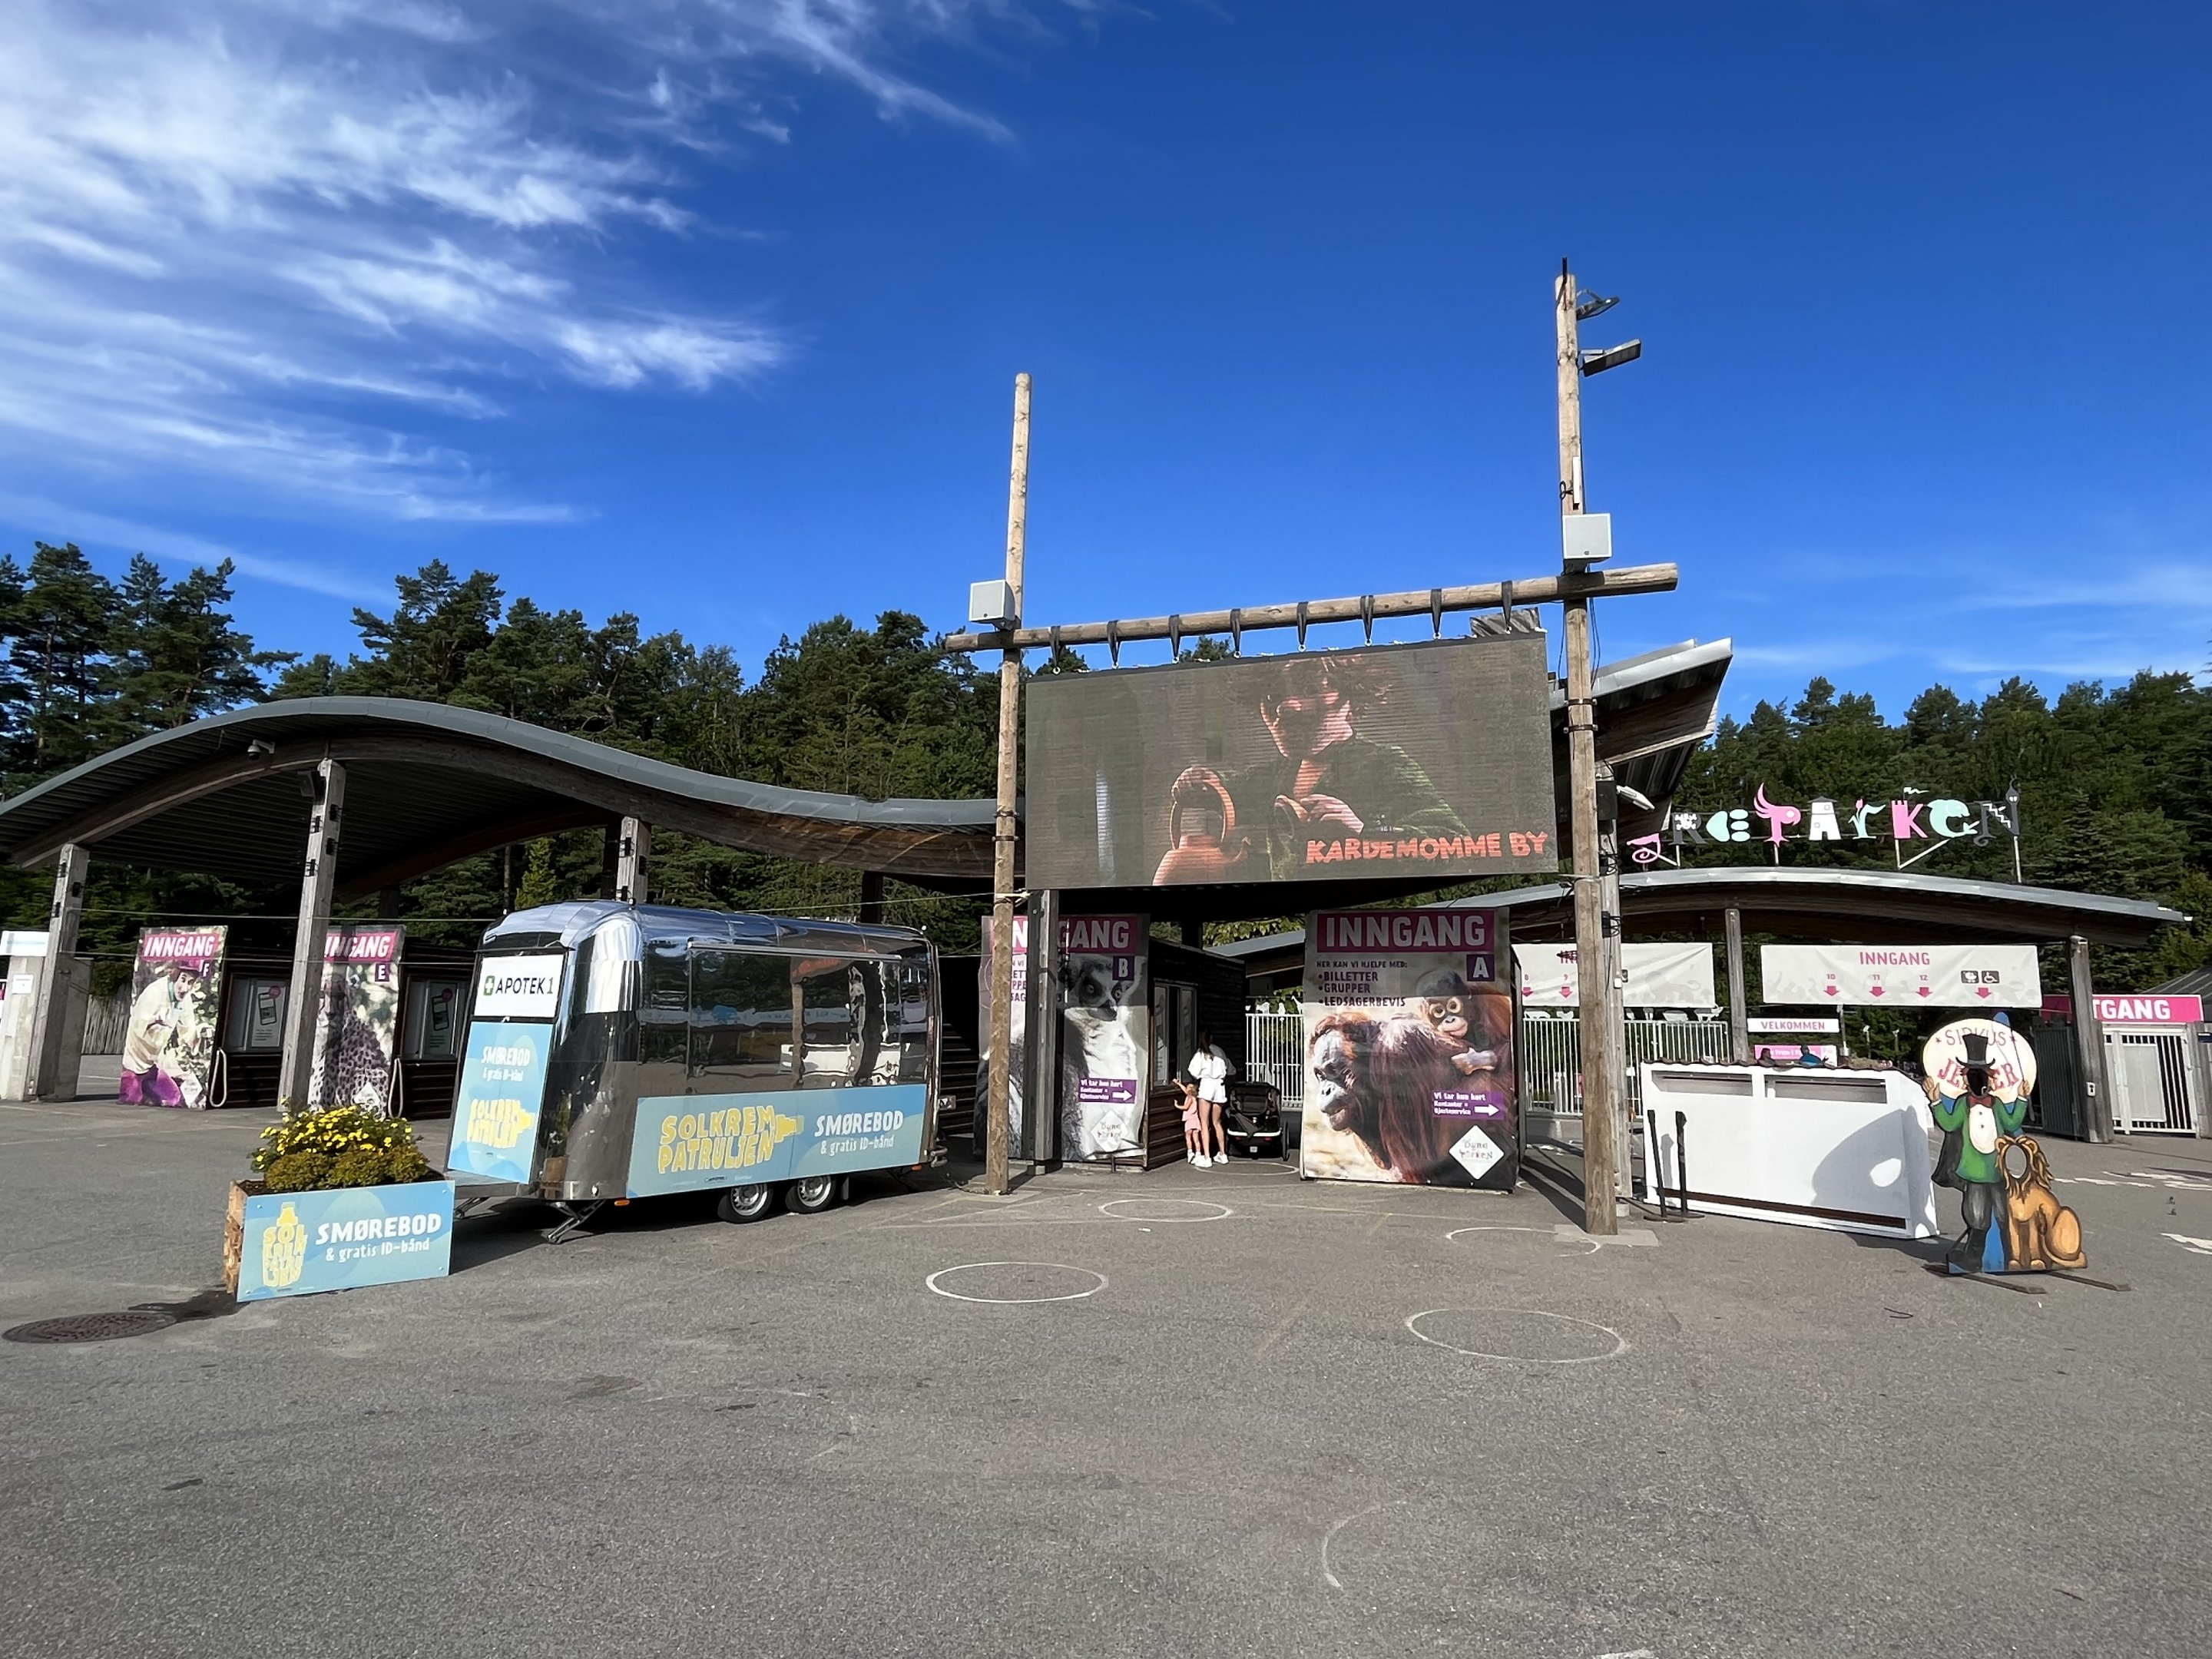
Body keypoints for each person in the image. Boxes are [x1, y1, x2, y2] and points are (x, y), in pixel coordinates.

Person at [1155, 654, 1467, 883]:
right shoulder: (1281, 773)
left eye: (1310, 689)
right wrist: (1202, 782)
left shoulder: (1384, 765)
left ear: (1351, 696)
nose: (1286, 708)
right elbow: (1228, 789)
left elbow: (1454, 841)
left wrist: (1362, 831)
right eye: (1271, 697)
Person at [1186, 1029, 1233, 1165]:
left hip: (1206, 1085)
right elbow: (1230, 1069)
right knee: (1217, 1122)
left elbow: (1193, 1072)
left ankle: (1207, 1157)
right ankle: (1223, 1154)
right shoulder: (1220, 1051)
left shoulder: (1200, 1053)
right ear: (1212, 1038)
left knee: (1204, 1123)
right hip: (1220, 1086)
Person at [1178, 1080, 1207, 1165]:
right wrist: (1179, 1084)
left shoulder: (1189, 1098)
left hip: (1189, 1119)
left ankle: (1190, 1152)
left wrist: (1177, 1106)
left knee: (1188, 1137)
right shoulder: (1195, 1097)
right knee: (1196, 1138)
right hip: (1196, 1120)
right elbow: (1184, 1089)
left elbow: (1186, 1107)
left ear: (1189, 1090)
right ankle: (1198, 1153)